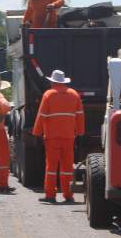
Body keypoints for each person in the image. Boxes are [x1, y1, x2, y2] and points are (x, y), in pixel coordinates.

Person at [33, 70, 84, 204]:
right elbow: (80, 115)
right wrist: (80, 132)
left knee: (51, 166)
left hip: (52, 137)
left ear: (53, 82)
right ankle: (68, 195)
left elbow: (42, 115)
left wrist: (37, 133)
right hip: (68, 136)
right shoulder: (74, 95)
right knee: (67, 166)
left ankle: (50, 195)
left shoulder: (48, 95)